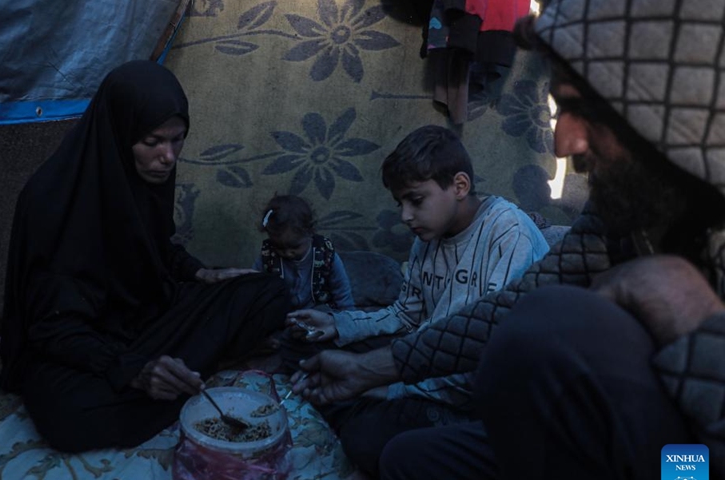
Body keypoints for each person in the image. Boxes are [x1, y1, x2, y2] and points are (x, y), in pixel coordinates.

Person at [291, 1, 725, 478]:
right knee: (407, 459)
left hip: (687, 464)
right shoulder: (625, 211)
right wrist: (371, 368)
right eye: (562, 108)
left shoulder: (509, 229)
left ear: (679, 104)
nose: (564, 144)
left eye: (587, 109)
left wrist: (691, 319)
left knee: (555, 321)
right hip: (606, 437)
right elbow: (505, 310)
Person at [0, 60, 290, 452]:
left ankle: (169, 377)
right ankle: (172, 376)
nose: (168, 157)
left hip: (146, 317)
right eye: (152, 142)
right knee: (70, 418)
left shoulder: (144, 180)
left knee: (268, 292)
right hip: (78, 341)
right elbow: (51, 328)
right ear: (118, 134)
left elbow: (156, 247)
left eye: (178, 139)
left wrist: (198, 272)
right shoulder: (52, 201)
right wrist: (130, 369)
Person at [284, 125, 550, 476]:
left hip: (480, 390)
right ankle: (356, 404)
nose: (405, 216)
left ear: (459, 186)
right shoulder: (428, 236)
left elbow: (489, 357)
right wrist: (338, 322)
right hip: (422, 361)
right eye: (400, 203)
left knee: (369, 439)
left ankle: (377, 413)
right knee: (303, 350)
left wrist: (386, 385)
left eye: (416, 200)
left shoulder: (509, 234)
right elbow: (407, 316)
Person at [253, 194, 354, 311]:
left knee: (326, 312)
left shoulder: (326, 254)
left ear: (310, 233)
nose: (288, 253)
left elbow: (342, 291)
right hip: (283, 313)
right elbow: (254, 285)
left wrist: (348, 318)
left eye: (295, 247)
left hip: (317, 313)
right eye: (279, 247)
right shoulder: (268, 256)